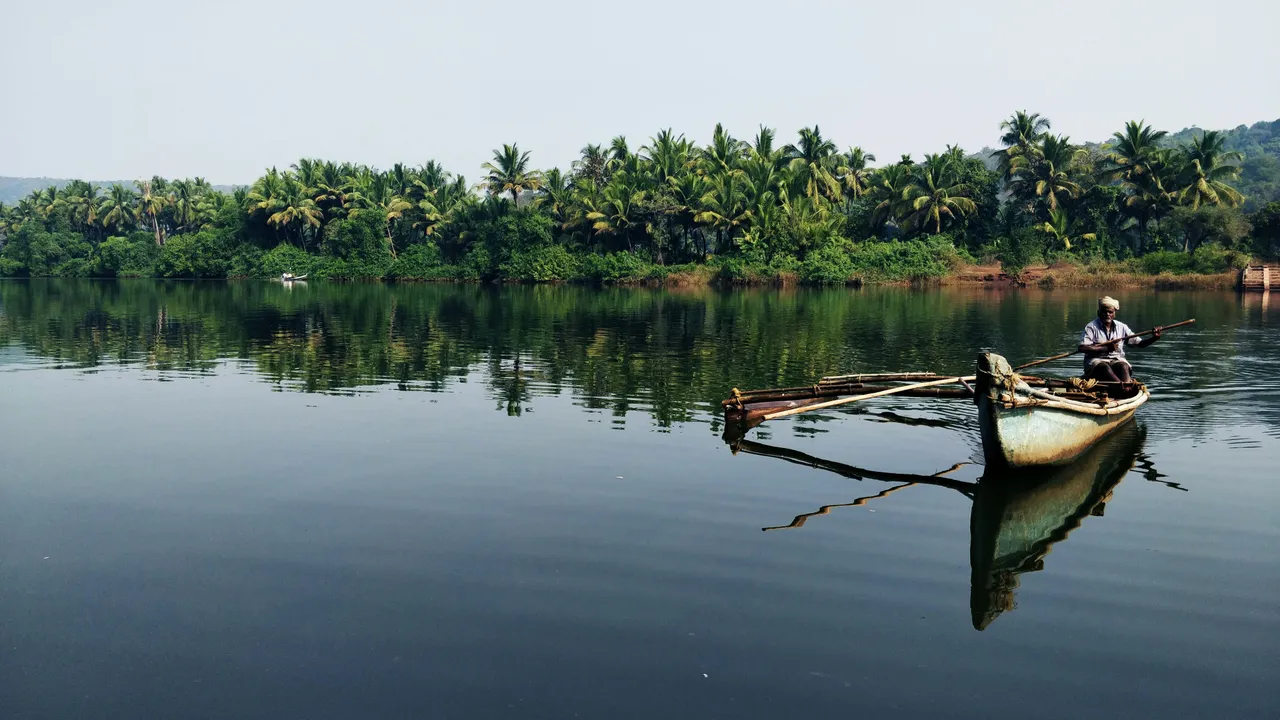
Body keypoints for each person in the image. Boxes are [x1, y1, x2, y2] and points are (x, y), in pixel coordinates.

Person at [1078, 296, 1161, 382]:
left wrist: (1154, 338)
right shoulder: (1091, 327)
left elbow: (1140, 344)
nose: (1107, 314)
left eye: (1110, 312)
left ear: (1114, 314)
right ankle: (1123, 386)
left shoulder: (1122, 327)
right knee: (1105, 368)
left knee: (1123, 366)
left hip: (1116, 360)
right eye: (1104, 312)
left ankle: (1125, 385)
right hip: (1096, 362)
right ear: (1098, 313)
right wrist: (1105, 348)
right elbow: (1082, 348)